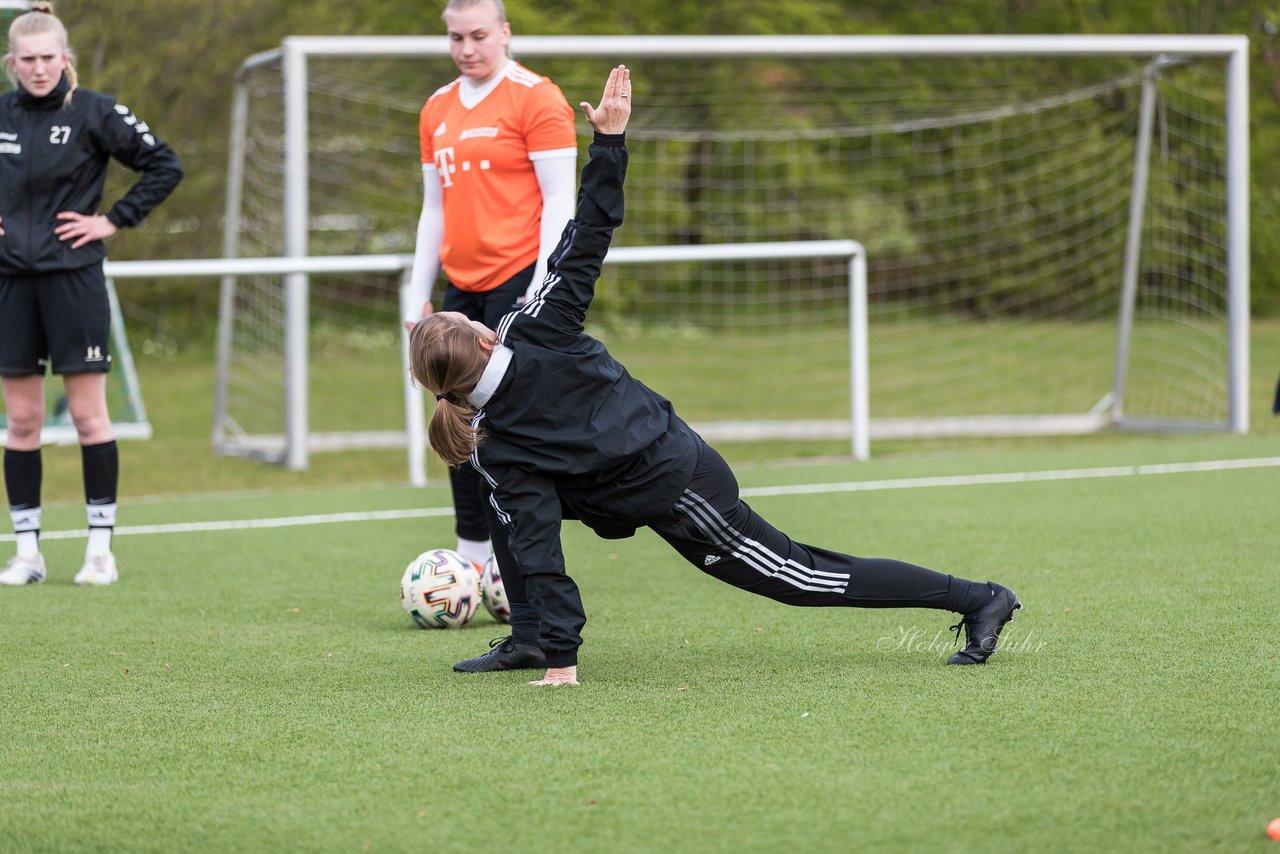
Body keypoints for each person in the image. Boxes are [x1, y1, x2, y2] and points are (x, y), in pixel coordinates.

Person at [408, 66, 1022, 687]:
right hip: (609, 482)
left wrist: (567, 666)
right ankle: (533, 641)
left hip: (676, 481)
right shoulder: (528, 344)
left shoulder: (498, 433)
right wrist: (610, 143)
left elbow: (540, 550)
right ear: (485, 336)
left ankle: (977, 597)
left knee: (798, 577)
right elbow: (588, 232)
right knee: (508, 506)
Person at [0, 2, 182, 587]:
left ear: (65, 58)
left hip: (75, 281)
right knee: (22, 421)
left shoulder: (95, 112)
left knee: (86, 415)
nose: (38, 68)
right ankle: (27, 553)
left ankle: (99, 550)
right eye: (27, 59)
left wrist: (114, 220)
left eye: (48, 57)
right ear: (11, 62)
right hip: (10, 285)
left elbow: (164, 164)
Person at [407, 0, 578, 571]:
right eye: (456, 37)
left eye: (478, 35)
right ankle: (470, 560)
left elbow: (561, 199)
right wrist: (416, 290)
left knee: (507, 426)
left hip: (517, 285)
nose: (467, 48)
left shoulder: (537, 97)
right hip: (460, 292)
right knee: (454, 419)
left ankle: (519, 563)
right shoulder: (436, 108)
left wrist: (541, 285)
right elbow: (434, 206)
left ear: (504, 32)